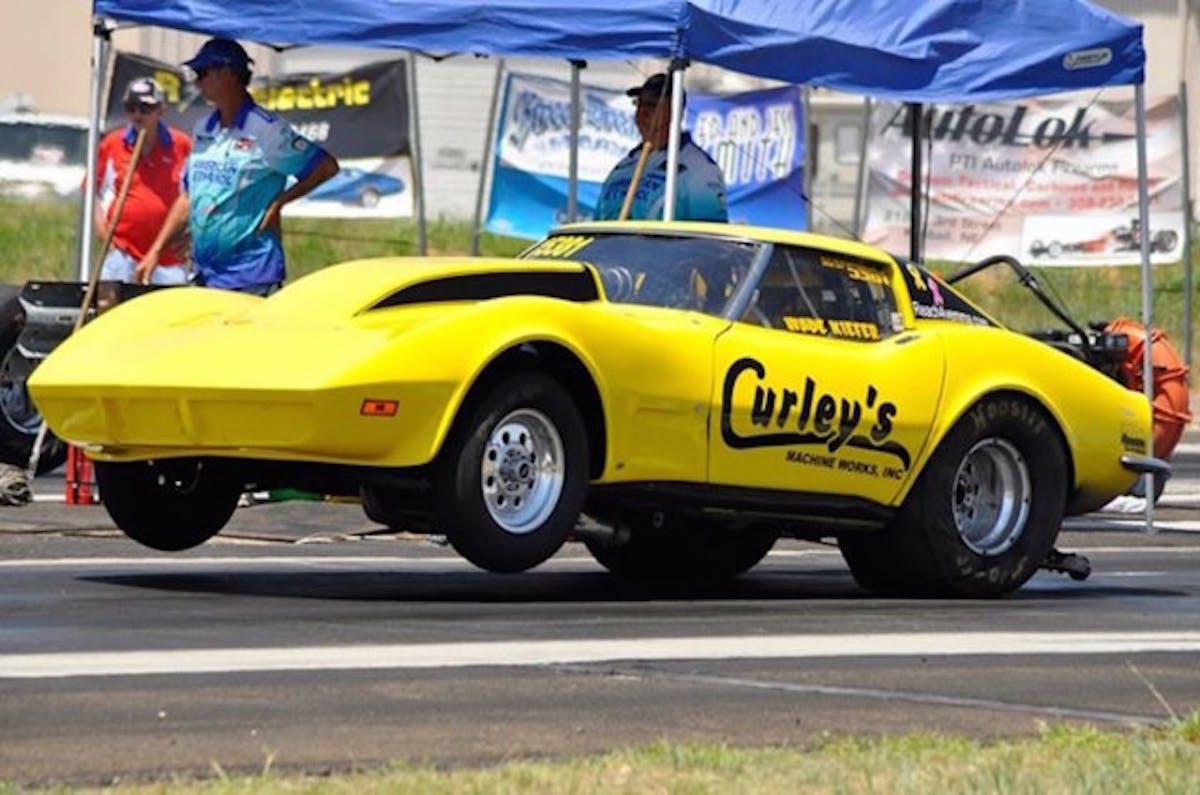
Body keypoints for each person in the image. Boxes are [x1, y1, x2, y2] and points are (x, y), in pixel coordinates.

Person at [139, 38, 339, 294]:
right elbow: (188, 196)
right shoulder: (203, 128)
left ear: (228, 74)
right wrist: (155, 251)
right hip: (205, 273)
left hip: (252, 275)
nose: (197, 81)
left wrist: (279, 202)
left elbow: (325, 167)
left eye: (202, 73)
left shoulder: (266, 130)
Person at [94, 77, 192, 285]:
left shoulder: (181, 145)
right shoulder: (113, 144)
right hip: (122, 253)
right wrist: (106, 239)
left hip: (168, 259)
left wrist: (191, 232)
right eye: (132, 108)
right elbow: (91, 192)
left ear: (161, 110)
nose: (138, 115)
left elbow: (195, 194)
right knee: (112, 312)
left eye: (146, 108)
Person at [595, 72, 727, 223]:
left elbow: (708, 236)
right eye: (639, 103)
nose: (642, 112)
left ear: (675, 111)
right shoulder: (623, 167)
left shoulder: (697, 168)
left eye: (652, 105)